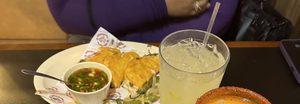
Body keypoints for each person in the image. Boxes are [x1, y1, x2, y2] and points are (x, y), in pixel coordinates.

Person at [47, 0, 239, 42]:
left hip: (186, 51)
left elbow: (214, 19)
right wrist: (159, 6)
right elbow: (66, 14)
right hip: (97, 41)